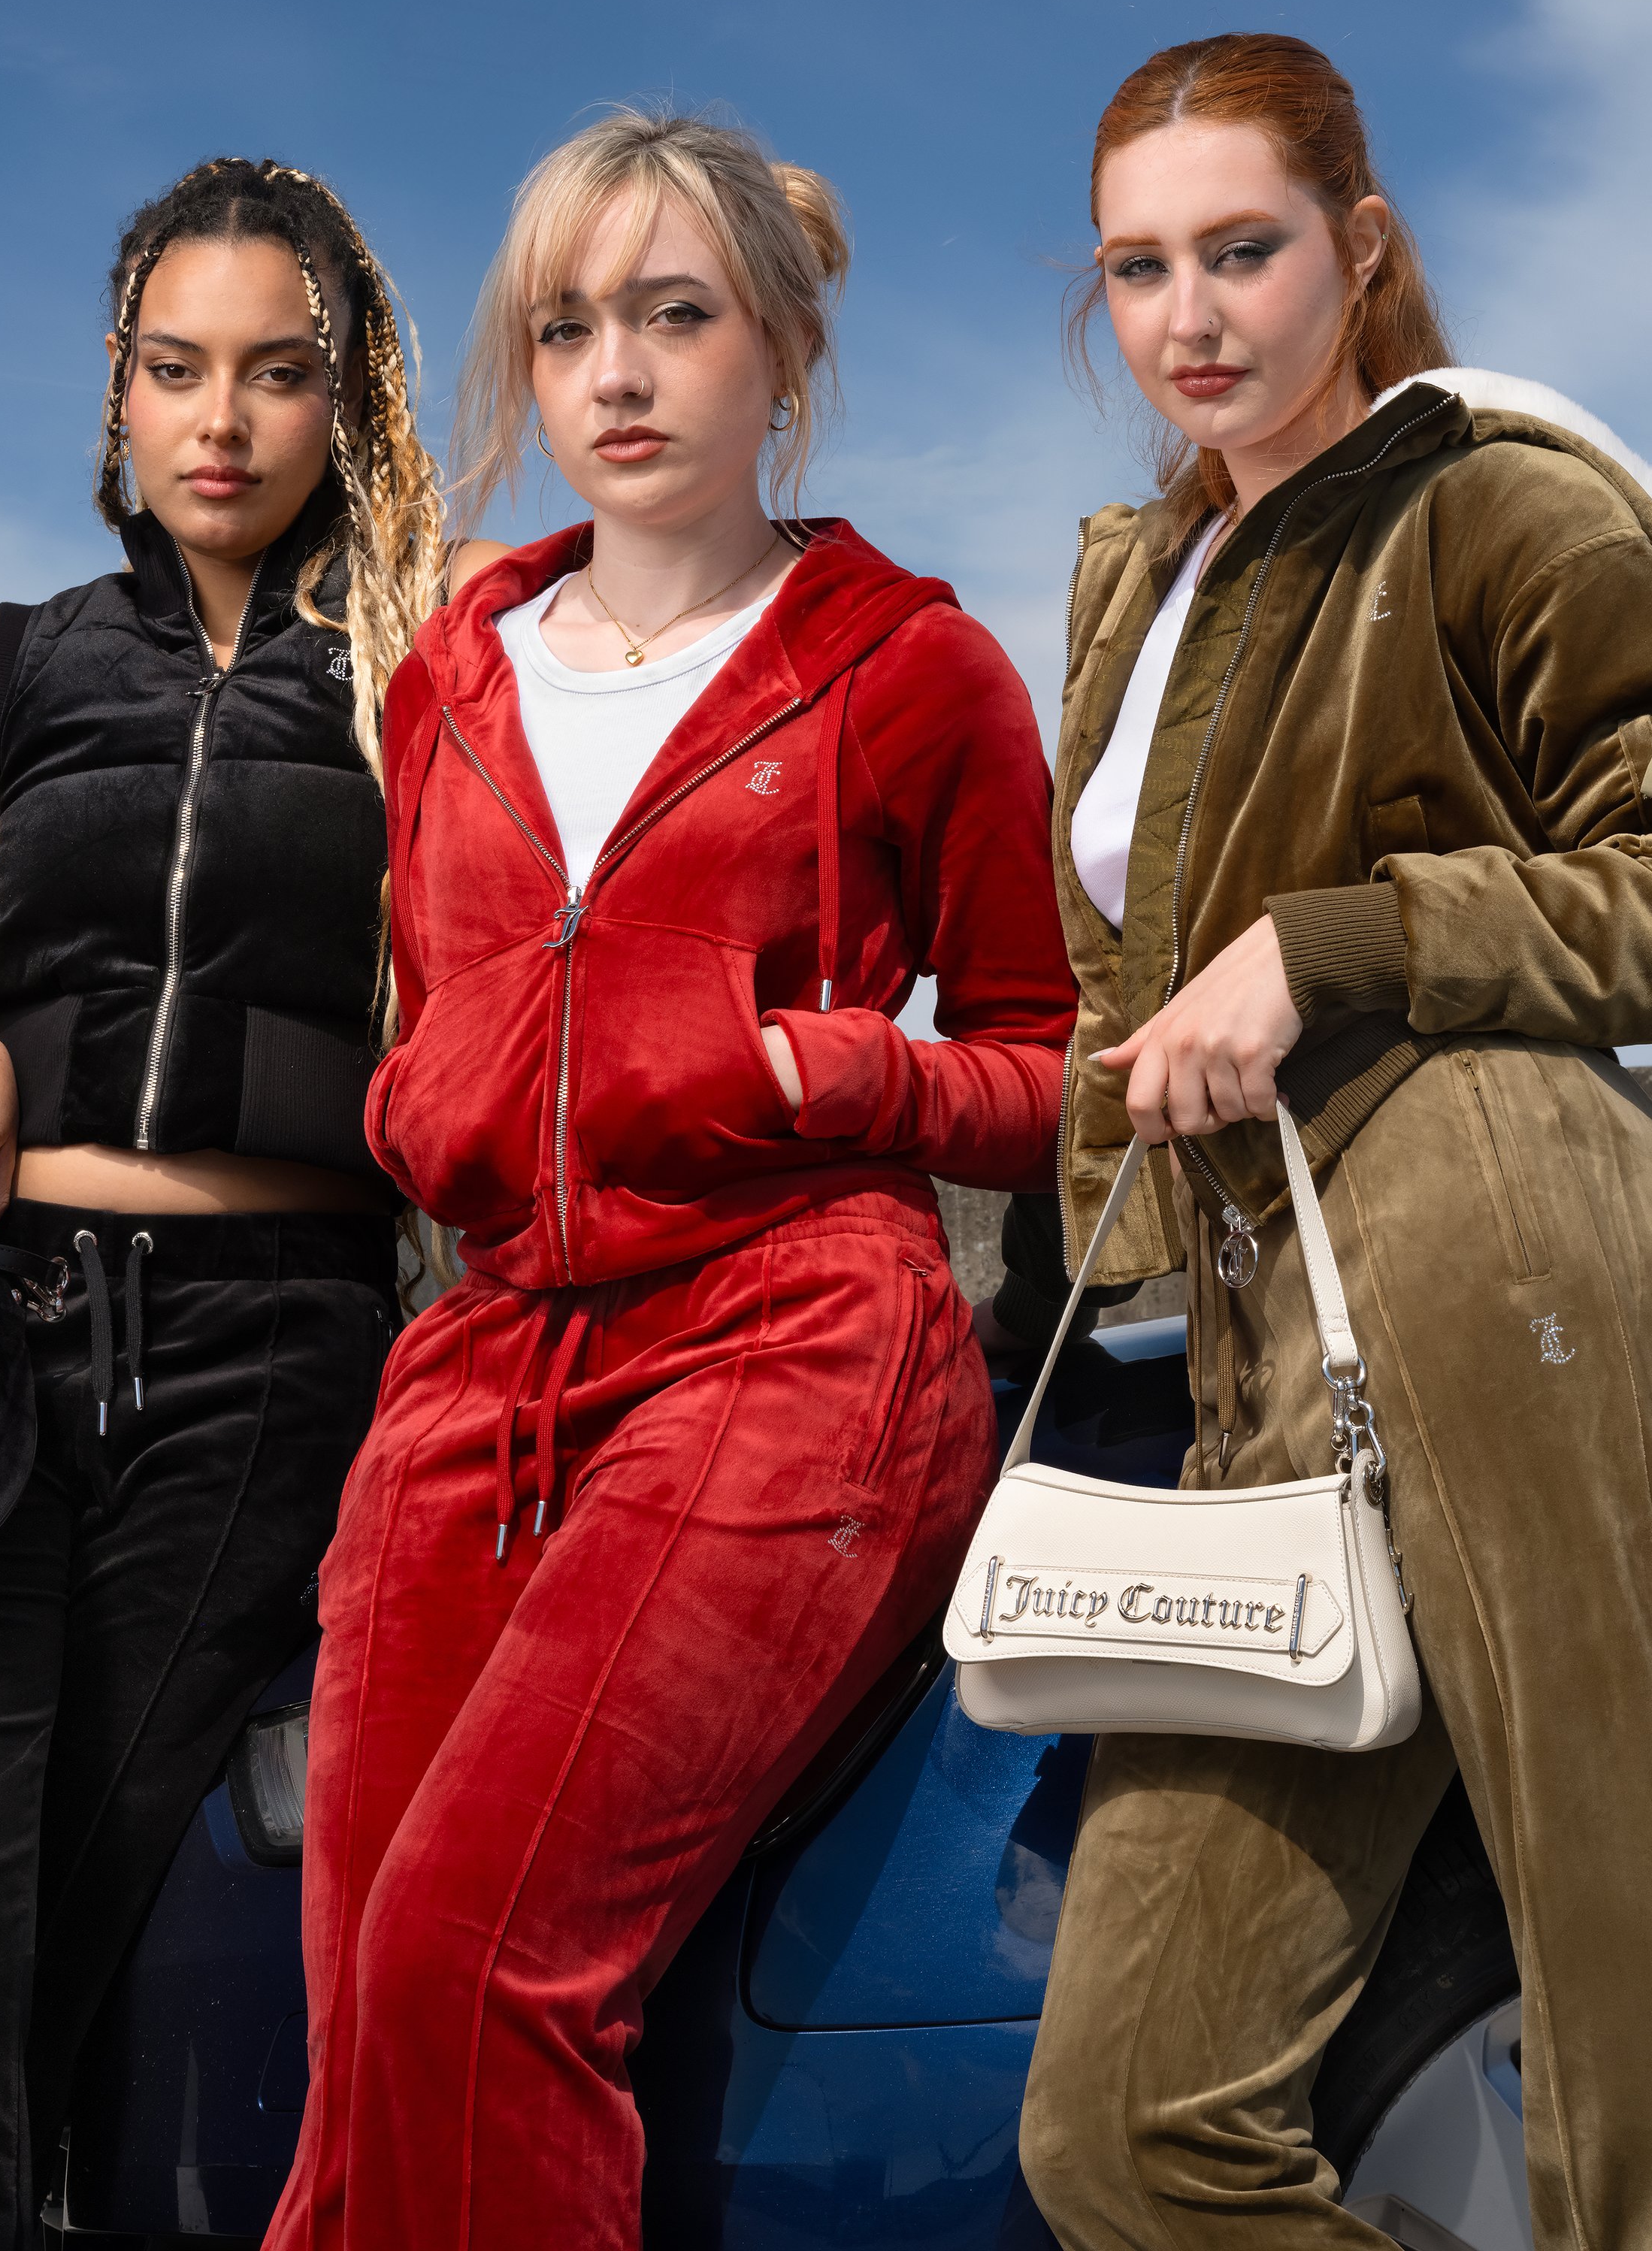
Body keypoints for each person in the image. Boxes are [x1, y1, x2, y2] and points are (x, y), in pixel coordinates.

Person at [267, 108, 1078, 2250]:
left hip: (793, 1342)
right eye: (564, 328)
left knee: (476, 1962)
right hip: (482, 1367)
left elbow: (1050, 1068)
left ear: (780, 356)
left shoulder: (911, 669)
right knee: (363, 2019)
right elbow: (452, 1006)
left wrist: (836, 1067)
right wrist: (428, 1107)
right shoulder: (449, 677)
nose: (614, 374)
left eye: (673, 316)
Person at [1015, 31, 1652, 2249]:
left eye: (1241, 250)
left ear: (1357, 244)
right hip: (1274, 1341)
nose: (1191, 316)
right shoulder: (1134, 585)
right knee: (1125, 2129)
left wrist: (1333, 942)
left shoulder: (1489, 486)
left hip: (1512, 1234)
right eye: (1139, 268)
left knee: (1649, 2051)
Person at [0, 157, 447, 2246]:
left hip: (269, 1343)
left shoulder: (426, 671)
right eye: (175, 371)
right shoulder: (8, 672)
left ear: (342, 401)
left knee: (87, 1885)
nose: (221, 421)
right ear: (115, 390)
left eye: (276, 377)